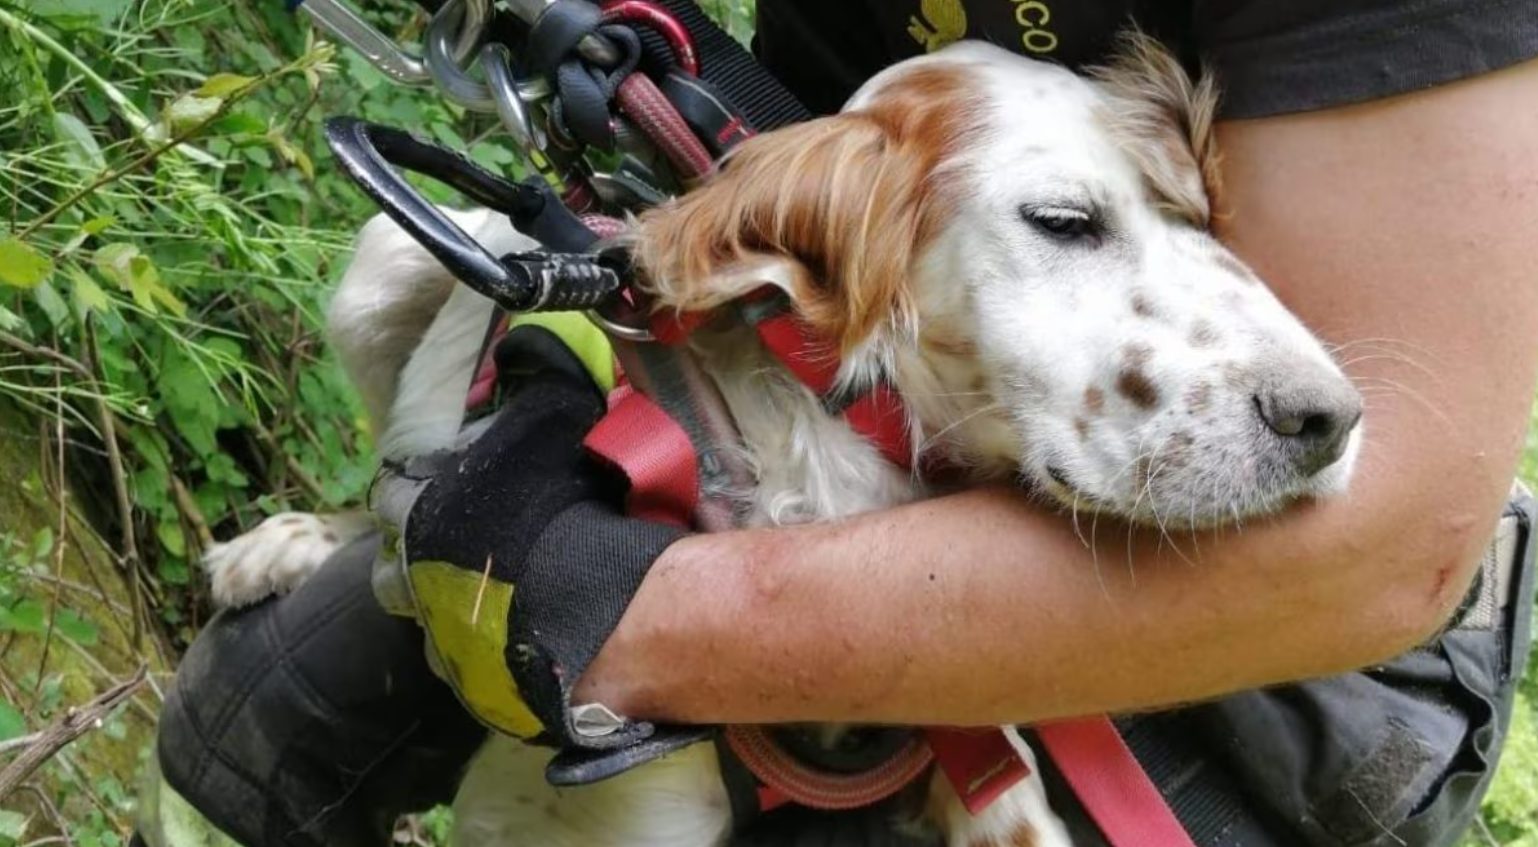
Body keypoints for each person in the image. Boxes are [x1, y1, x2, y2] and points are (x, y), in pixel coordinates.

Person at [144, 1, 1538, 845]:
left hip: (1301, 629)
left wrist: (631, 623)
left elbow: (1387, 538)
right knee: (252, 728)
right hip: (877, 431)